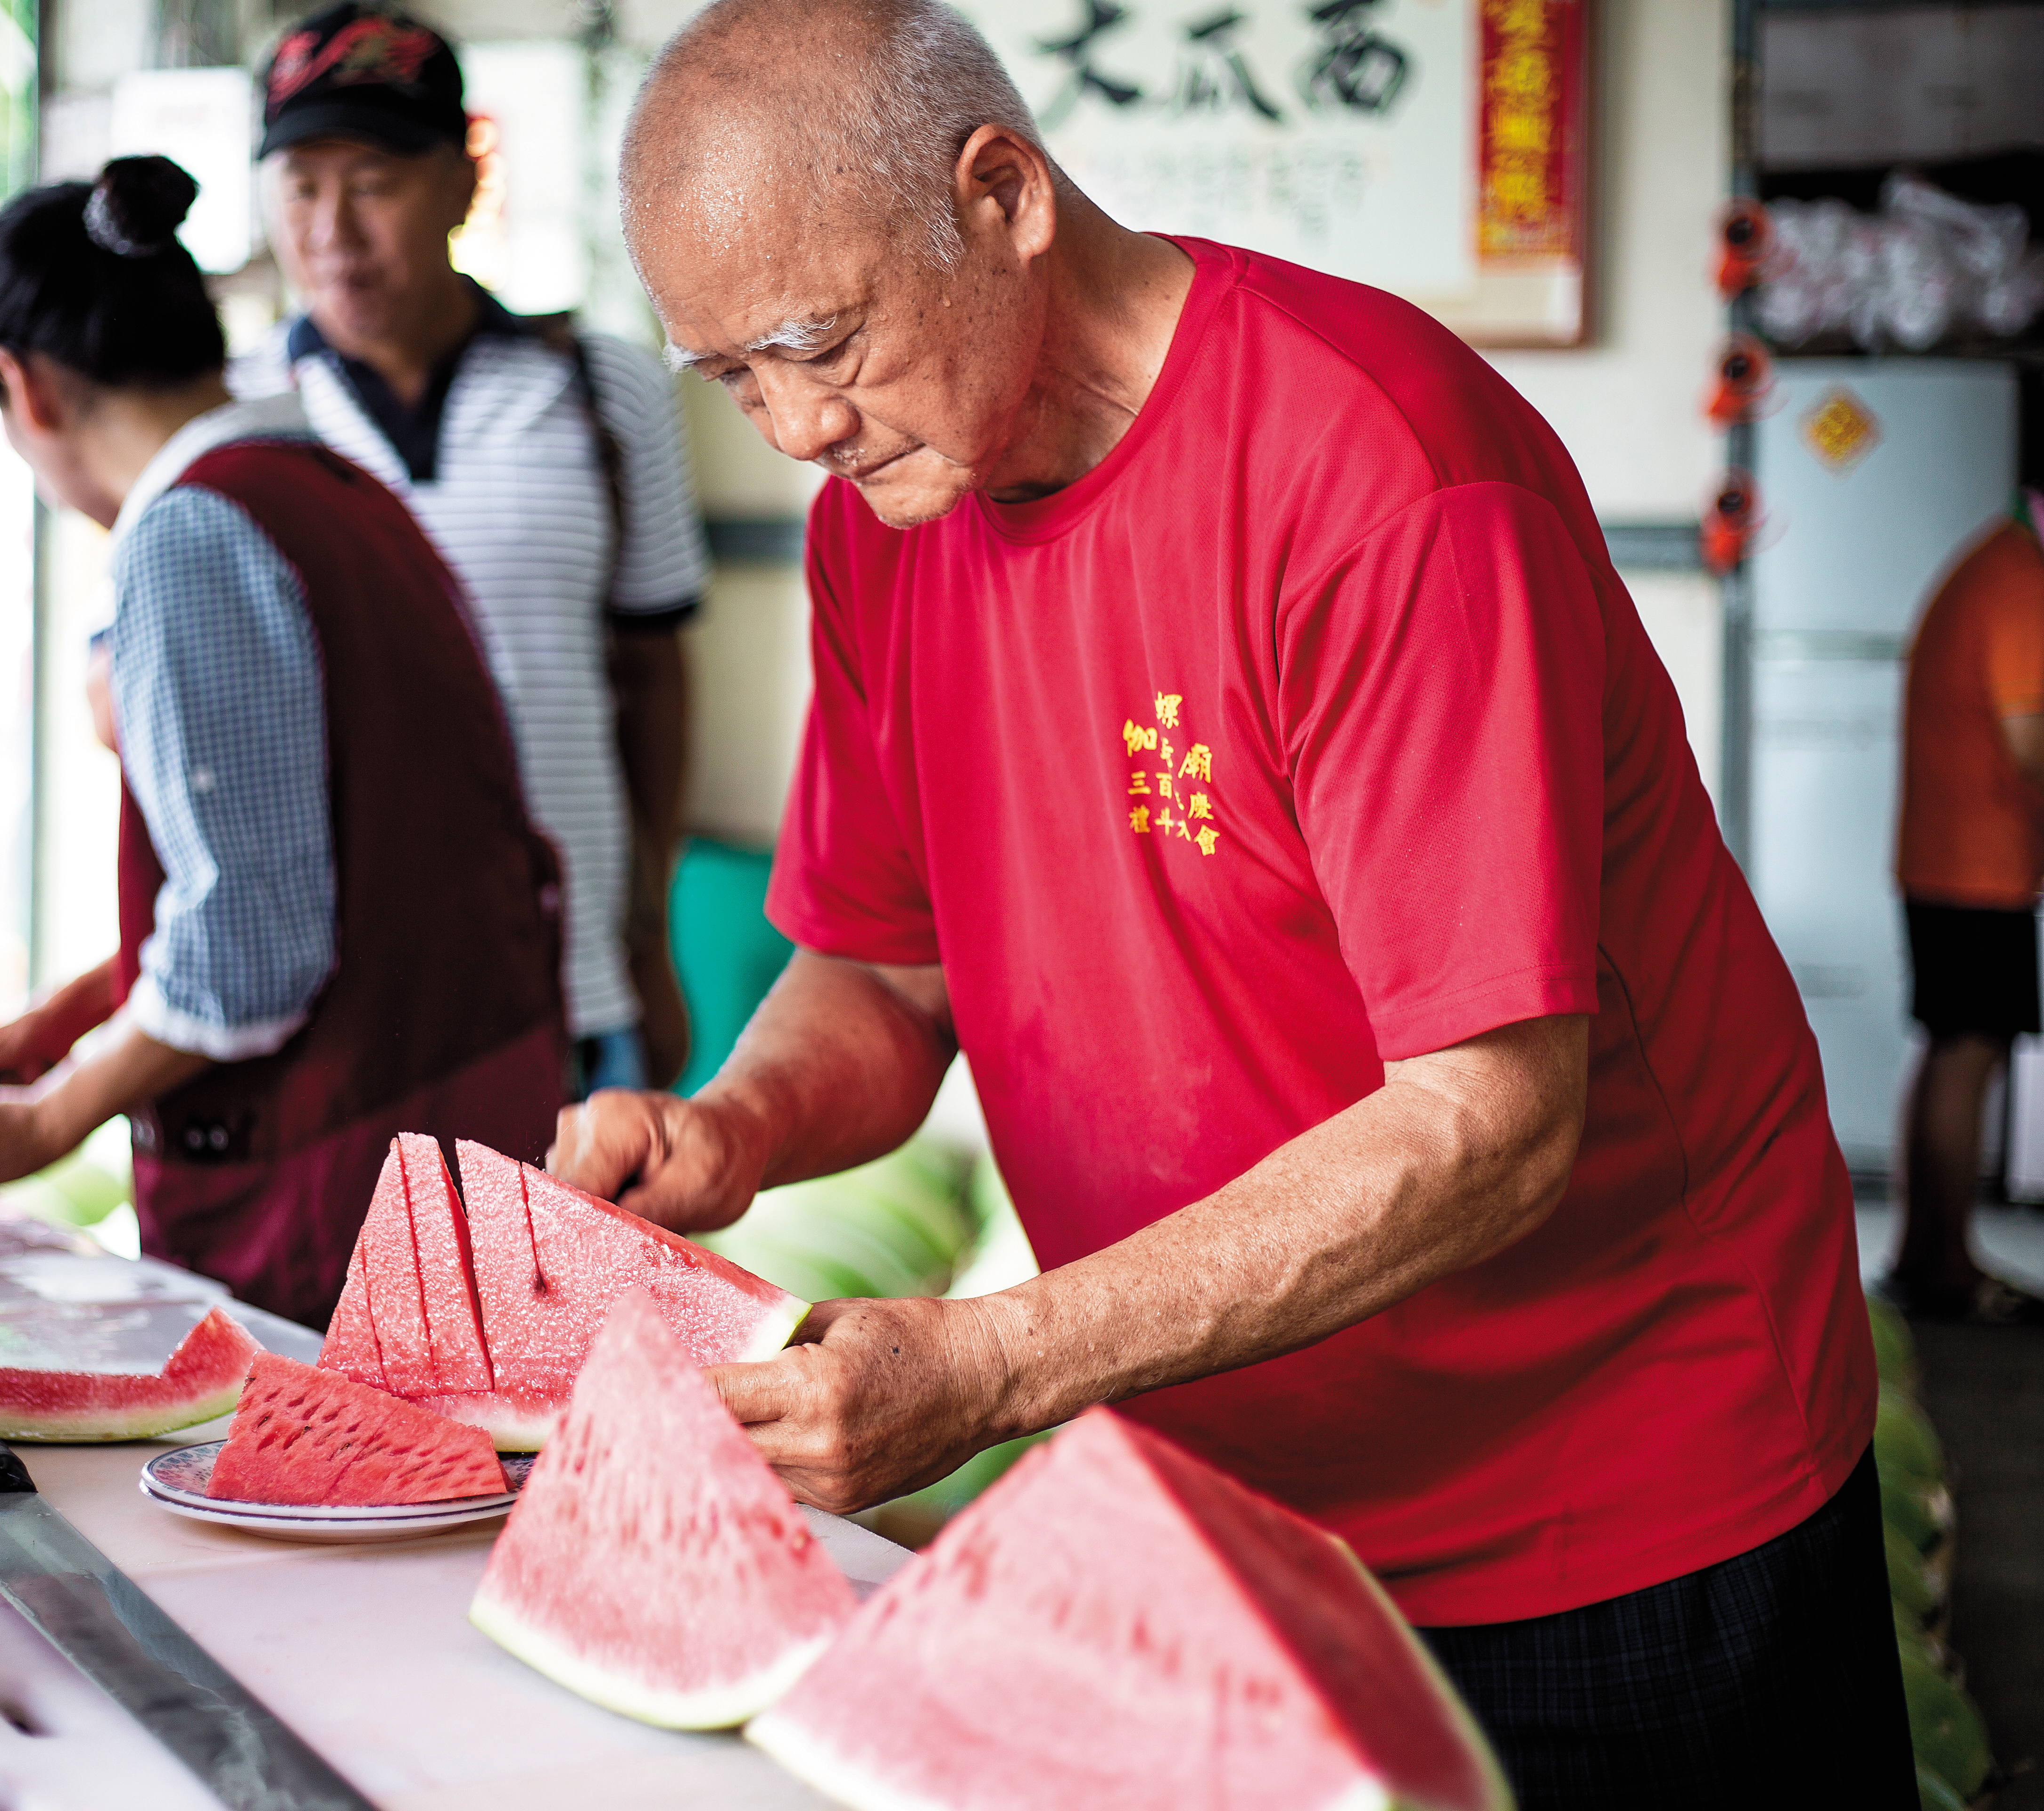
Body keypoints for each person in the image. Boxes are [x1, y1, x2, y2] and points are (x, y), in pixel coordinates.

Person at [556, 2, 1910, 1801]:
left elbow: (1487, 1124)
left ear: (1005, 194)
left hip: (1614, 1486)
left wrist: (994, 1362)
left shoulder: (1379, 480)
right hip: (1225, 1499)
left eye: (823, 341)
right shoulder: (884, 527)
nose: (797, 426)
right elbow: (882, 975)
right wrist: (733, 1127)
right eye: (730, 375)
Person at [0, 156, 565, 1329]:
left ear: (22, 387)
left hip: (343, 1189)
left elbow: (254, 944)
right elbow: (313, 871)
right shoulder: (340, 490)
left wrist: (50, 1117)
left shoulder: (189, 536)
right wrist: (62, 1026)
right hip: (464, 1130)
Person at [233, 3, 709, 1095]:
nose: (333, 230)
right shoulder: (234, 420)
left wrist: (647, 931)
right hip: (325, 1015)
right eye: (302, 185)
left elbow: (653, 676)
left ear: (463, 179)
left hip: (572, 995)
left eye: (376, 182)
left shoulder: (606, 392)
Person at [1889, 490, 2044, 1324]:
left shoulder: (2000, 562)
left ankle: (1928, 1254)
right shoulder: (2020, 582)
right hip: (1975, 864)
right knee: (1970, 1049)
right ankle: (1943, 1264)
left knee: (1953, 1044)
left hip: (1955, 859)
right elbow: (2032, 743)